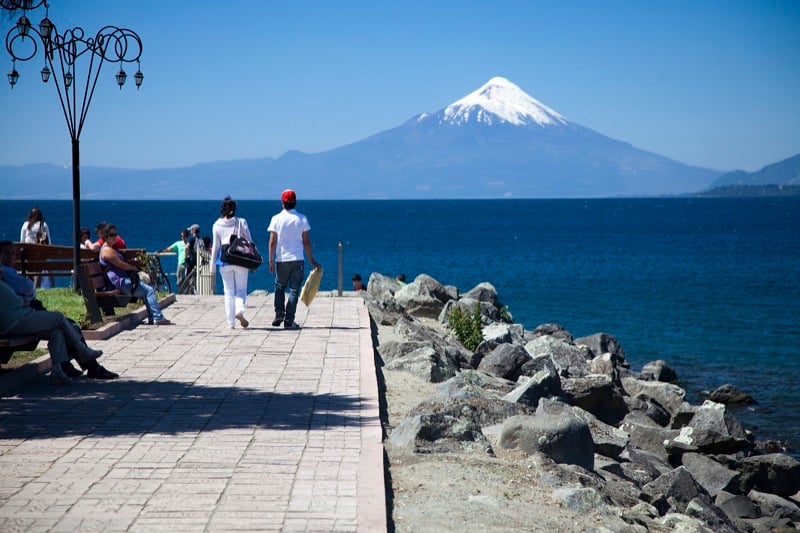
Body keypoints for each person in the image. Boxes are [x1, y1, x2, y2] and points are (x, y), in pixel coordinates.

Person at [0, 241, 118, 379]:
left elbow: (27, 289)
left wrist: (25, 296)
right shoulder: (4, 273)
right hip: (16, 319)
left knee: (60, 329)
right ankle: (85, 356)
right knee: (60, 319)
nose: (11, 256)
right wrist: (24, 298)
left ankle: (60, 369)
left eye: (12, 253)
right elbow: (26, 289)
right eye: (6, 253)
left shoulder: (6, 273)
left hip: (22, 314)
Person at [0, 270, 108, 385]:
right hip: (14, 322)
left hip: (19, 317)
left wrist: (23, 300)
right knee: (58, 317)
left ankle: (58, 372)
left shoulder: (4, 283)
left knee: (56, 331)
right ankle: (83, 350)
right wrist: (24, 300)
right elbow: (19, 299)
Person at [99, 224, 172, 326]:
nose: (115, 237)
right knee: (149, 290)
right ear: (106, 237)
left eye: (115, 234)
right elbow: (121, 265)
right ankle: (158, 317)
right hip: (120, 282)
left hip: (121, 280)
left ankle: (153, 317)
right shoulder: (107, 250)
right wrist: (134, 268)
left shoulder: (110, 249)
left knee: (148, 289)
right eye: (112, 235)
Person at [268, 189, 320, 330]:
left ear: (282, 202)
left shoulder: (276, 219)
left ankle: (279, 313)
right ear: (295, 202)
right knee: (294, 290)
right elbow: (306, 242)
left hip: (281, 259)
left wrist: (270, 260)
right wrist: (311, 260)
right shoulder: (302, 219)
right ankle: (289, 320)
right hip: (298, 259)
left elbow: (272, 242)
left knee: (279, 286)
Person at [210, 197, 251, 330]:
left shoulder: (216, 225)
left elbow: (216, 247)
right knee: (241, 290)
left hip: (225, 261)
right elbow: (249, 242)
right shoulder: (242, 222)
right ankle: (239, 310)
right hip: (240, 260)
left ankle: (230, 323)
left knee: (228, 292)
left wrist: (212, 268)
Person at [19, 206, 53, 288]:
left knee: (30, 267)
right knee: (39, 267)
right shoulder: (43, 225)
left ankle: (29, 287)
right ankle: (36, 287)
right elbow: (50, 243)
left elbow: (21, 242)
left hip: (27, 258)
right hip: (39, 257)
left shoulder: (25, 225)